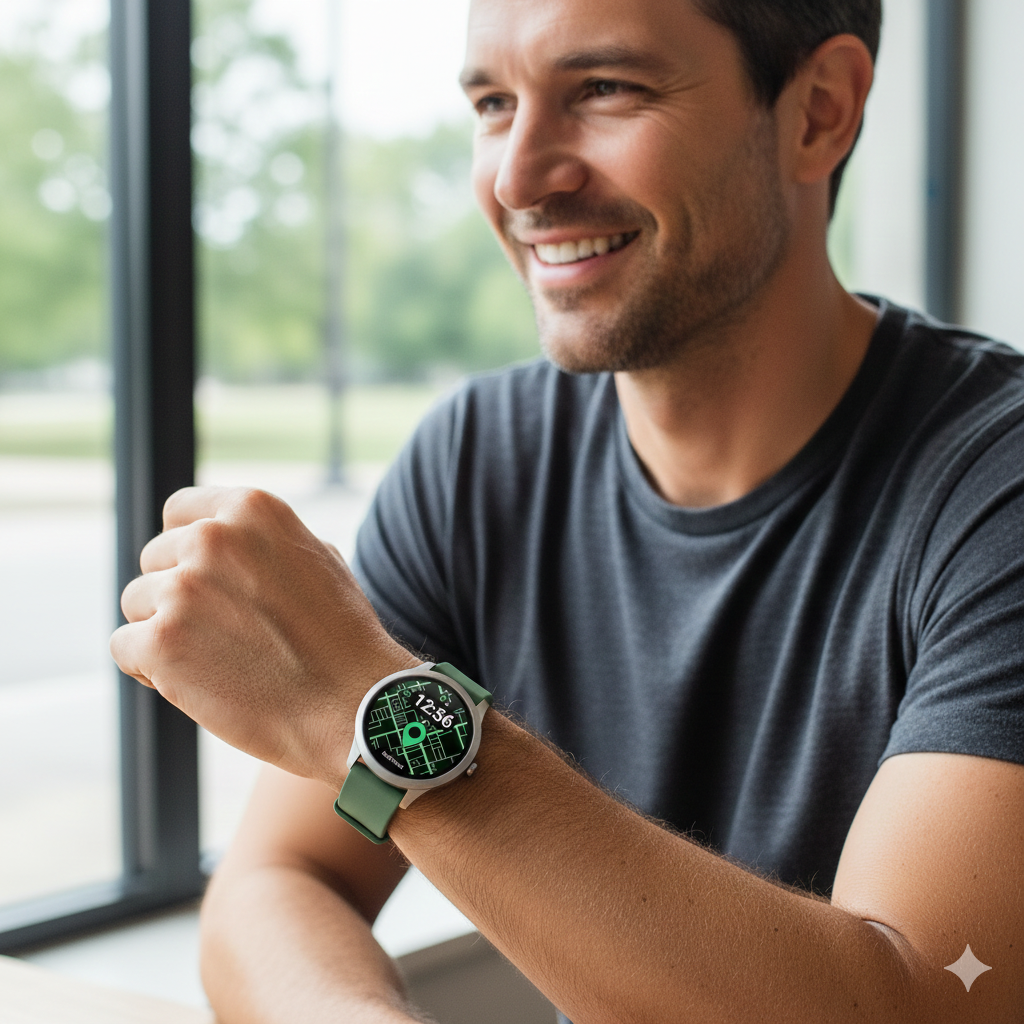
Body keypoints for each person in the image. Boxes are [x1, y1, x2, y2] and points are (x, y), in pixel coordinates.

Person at [110, 0, 1024, 1020]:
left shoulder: (997, 486)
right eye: (495, 103)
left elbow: (923, 1000)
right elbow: (287, 876)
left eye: (604, 90)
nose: (516, 177)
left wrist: (367, 701)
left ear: (817, 110)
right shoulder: (478, 464)